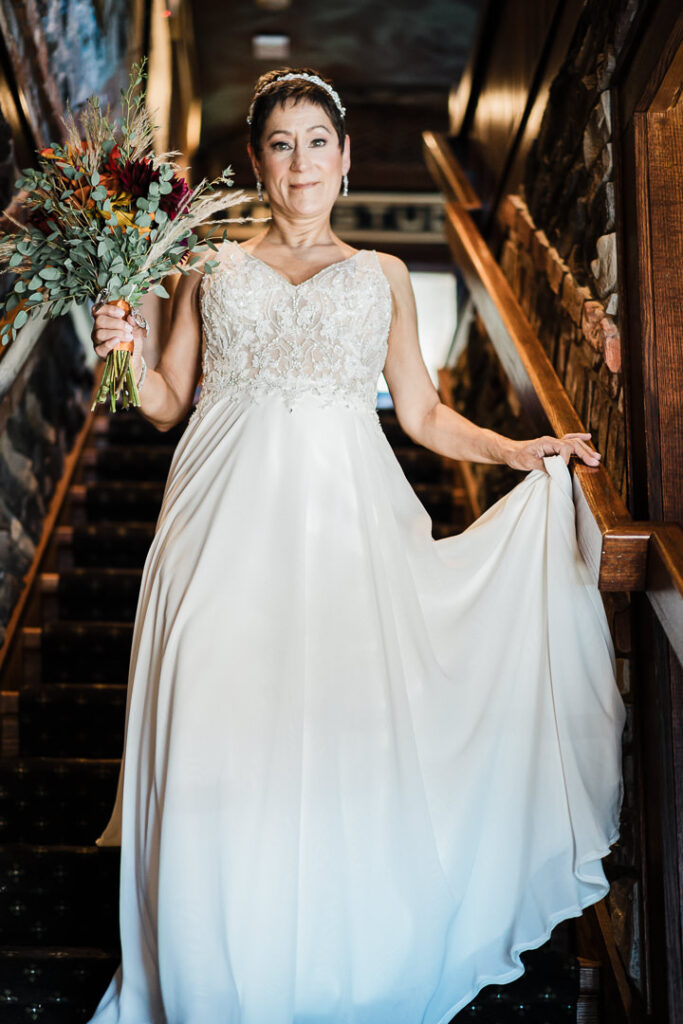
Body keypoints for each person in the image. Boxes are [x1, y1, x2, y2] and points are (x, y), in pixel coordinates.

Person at [86, 68, 625, 1024]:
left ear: (344, 158)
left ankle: (320, 965)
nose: (300, 162)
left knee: (337, 732)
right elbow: (165, 403)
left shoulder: (382, 277)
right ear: (256, 162)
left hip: (346, 532)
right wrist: (121, 350)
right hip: (213, 525)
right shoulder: (205, 265)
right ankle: (209, 975)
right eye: (280, 144)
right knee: (216, 730)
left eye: (316, 142)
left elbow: (420, 413)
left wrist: (514, 449)